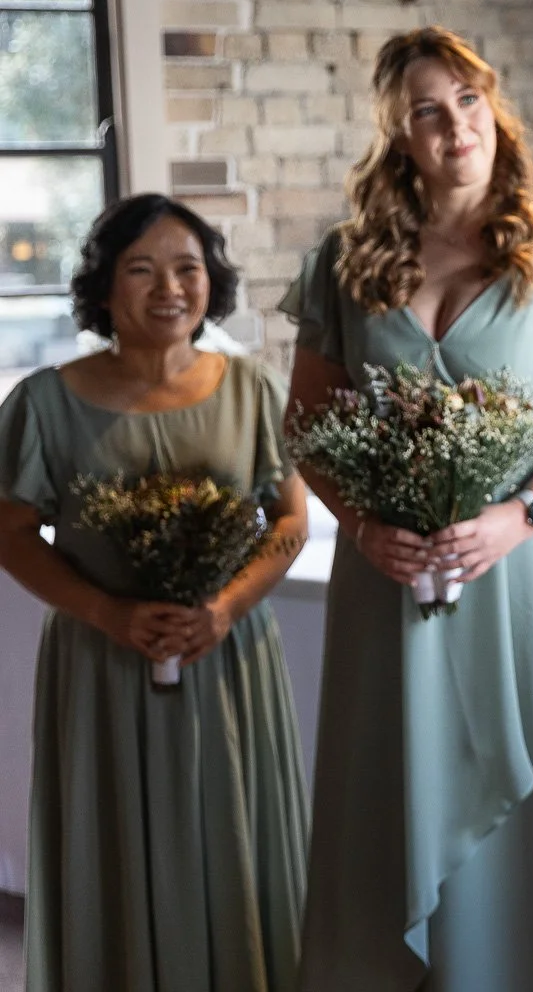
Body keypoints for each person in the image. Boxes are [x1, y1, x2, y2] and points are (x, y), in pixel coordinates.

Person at [283, 26, 533, 992]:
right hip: (392, 573)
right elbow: (307, 422)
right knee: (387, 791)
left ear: (496, 107)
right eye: (427, 112)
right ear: (397, 136)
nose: (456, 127)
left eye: (470, 101)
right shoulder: (345, 264)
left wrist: (519, 517)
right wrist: (364, 527)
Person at [0, 194, 311, 992]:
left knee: (231, 841)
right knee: (113, 842)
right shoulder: (43, 402)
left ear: (213, 283)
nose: (169, 287)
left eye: (188, 268)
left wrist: (225, 608)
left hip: (226, 658)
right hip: (101, 662)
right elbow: (8, 534)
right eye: (141, 269)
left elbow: (289, 522)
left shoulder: (253, 390)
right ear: (103, 288)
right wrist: (109, 612)